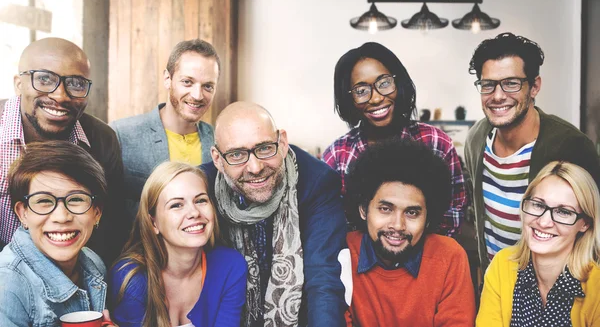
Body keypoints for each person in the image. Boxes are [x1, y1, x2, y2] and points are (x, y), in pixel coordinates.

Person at [202, 101, 348, 327]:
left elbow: (323, 280)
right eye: (237, 154)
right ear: (218, 159)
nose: (255, 167)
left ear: (282, 143)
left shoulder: (317, 182)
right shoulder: (202, 188)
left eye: (264, 148)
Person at [464, 32, 600, 273]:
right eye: (488, 85)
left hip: (555, 289)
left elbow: (593, 226)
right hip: (495, 283)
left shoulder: (571, 146)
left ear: (534, 86)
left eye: (511, 83)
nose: (498, 95)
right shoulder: (476, 139)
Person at [0, 37, 127, 266]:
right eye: (44, 79)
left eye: (76, 84)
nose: (60, 96)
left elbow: (111, 229)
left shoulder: (102, 140)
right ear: (19, 83)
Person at [322, 42, 466, 237]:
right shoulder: (338, 156)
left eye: (384, 83)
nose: (375, 99)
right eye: (361, 91)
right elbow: (331, 227)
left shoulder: (436, 143)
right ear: (349, 99)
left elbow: (452, 217)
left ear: (399, 83)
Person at [344, 138, 475, 326]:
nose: (398, 225)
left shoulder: (449, 257)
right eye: (386, 209)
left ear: (428, 219)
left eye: (412, 212)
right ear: (364, 210)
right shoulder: (343, 252)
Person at [110, 161, 247, 327]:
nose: (194, 213)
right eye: (176, 205)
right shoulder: (130, 276)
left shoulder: (230, 266)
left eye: (200, 200)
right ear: (153, 222)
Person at [0, 141, 116, 327]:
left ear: (96, 212)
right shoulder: (7, 284)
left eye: (76, 199)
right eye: (44, 201)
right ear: (23, 213)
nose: (62, 217)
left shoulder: (94, 264)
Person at [477, 161, 600, 326]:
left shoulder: (596, 288)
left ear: (585, 224)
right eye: (538, 204)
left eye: (563, 212)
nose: (543, 222)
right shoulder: (502, 265)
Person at [111, 39, 218, 219]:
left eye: (208, 86)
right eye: (187, 82)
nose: (197, 95)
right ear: (168, 79)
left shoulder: (218, 141)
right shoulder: (121, 134)